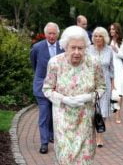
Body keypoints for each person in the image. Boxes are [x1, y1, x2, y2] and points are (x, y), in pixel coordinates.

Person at [42, 25, 105, 164]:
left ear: (86, 48)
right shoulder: (55, 63)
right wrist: (64, 99)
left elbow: (101, 87)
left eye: (81, 48)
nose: (77, 52)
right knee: (65, 158)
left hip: (85, 120)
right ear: (65, 46)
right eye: (73, 47)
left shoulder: (94, 63)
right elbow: (47, 89)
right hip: (63, 120)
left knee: (85, 158)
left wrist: (88, 97)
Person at [30, 22, 63, 154]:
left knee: (55, 113)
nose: (51, 36)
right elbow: (34, 63)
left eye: (54, 33)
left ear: (57, 34)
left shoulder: (62, 47)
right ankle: (44, 143)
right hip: (42, 86)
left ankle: (51, 135)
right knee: (44, 115)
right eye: (49, 33)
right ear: (45, 34)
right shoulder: (37, 47)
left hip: (58, 87)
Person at [88, 26, 114, 148]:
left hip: (106, 84)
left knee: (103, 110)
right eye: (95, 36)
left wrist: (113, 86)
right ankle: (91, 133)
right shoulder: (88, 49)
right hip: (91, 83)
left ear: (105, 38)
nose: (98, 38)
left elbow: (112, 69)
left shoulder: (109, 50)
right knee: (92, 109)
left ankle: (99, 136)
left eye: (100, 36)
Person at [109, 22, 123, 124]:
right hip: (109, 67)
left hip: (119, 68)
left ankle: (117, 114)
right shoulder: (108, 41)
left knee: (119, 92)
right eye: (110, 29)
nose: (111, 31)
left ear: (117, 30)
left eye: (113, 29)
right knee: (111, 91)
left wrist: (117, 51)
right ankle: (110, 110)